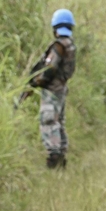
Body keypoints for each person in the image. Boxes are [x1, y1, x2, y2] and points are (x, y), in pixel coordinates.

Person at [28, 9, 76, 169]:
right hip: (61, 88)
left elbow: (49, 69)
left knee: (49, 121)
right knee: (59, 122)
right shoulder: (69, 45)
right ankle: (61, 154)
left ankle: (54, 157)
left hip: (52, 90)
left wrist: (36, 82)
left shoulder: (59, 46)